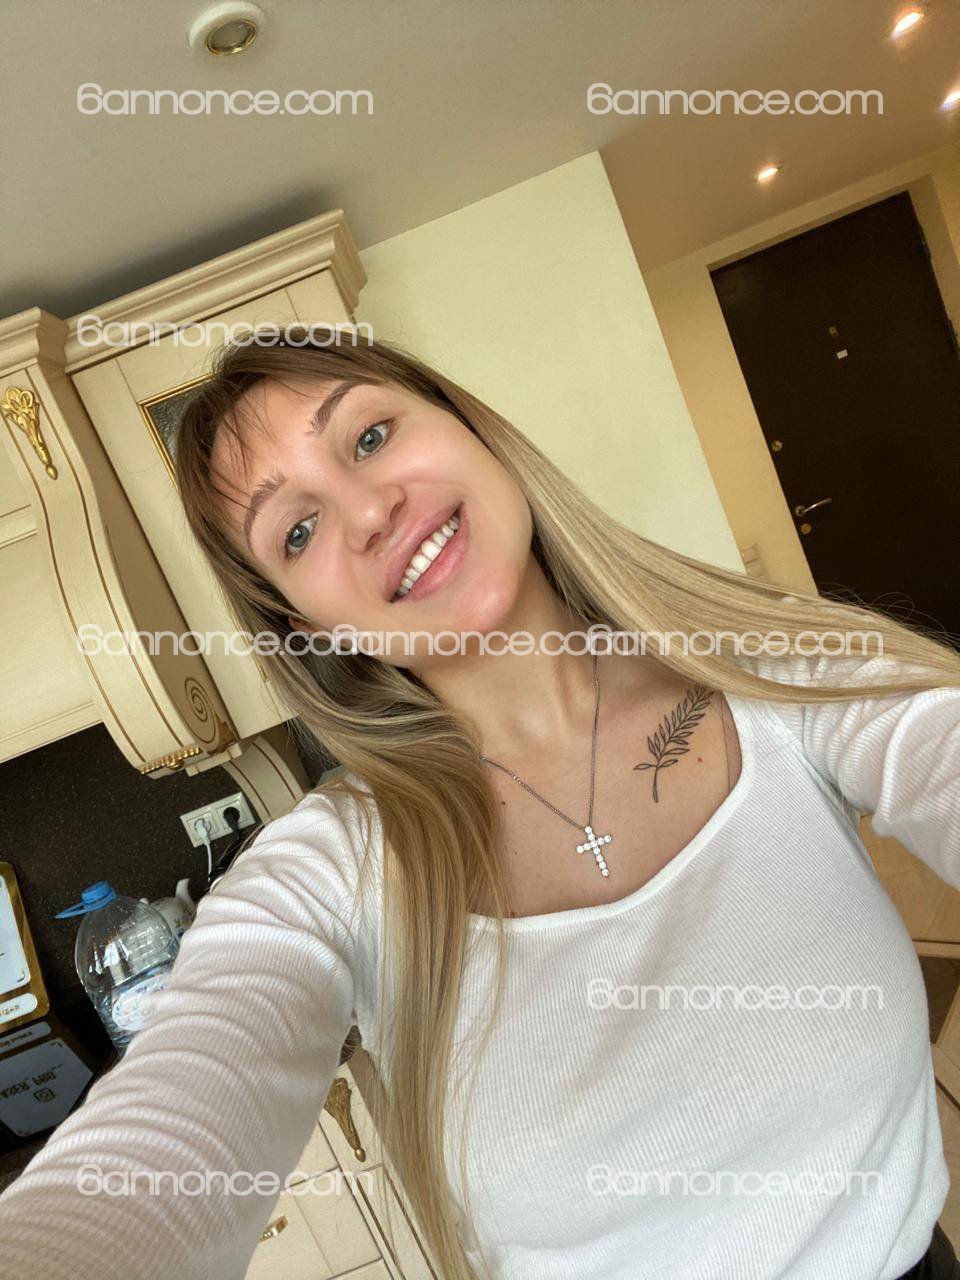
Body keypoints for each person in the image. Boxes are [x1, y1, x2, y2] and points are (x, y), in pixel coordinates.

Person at [1, 326, 959, 1280]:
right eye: (297, 530)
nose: (370, 512)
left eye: (369, 436)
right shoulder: (331, 875)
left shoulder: (777, 672)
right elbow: (169, 1131)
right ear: (308, 625)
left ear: (471, 429)